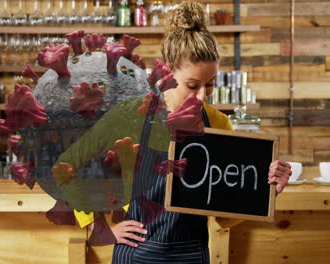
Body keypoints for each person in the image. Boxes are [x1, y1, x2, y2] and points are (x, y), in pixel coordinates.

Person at [69, 1, 292, 263]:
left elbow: (223, 214)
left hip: (192, 254)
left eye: (209, 85)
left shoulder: (218, 124)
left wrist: (265, 191)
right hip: (137, 254)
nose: (201, 96)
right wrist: (100, 228)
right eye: (192, 85)